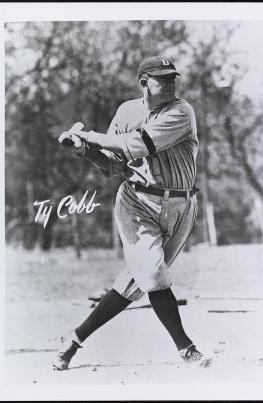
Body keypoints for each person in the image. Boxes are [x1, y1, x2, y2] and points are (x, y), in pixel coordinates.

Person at [54, 56, 212, 370]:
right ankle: (186, 348)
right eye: (161, 78)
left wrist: (88, 136)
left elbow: (137, 145)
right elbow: (114, 164)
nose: (170, 83)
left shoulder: (181, 111)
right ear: (144, 83)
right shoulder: (128, 112)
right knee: (153, 274)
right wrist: (84, 150)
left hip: (182, 206)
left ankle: (73, 339)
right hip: (137, 204)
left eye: (172, 78)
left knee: (136, 282)